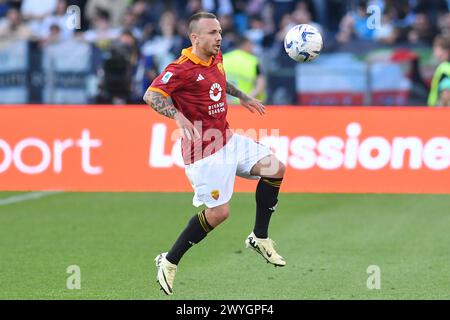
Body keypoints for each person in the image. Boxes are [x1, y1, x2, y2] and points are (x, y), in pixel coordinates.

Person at [143, 12, 286, 296]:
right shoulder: (181, 67)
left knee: (275, 167)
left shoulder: (215, 58)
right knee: (219, 213)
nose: (218, 37)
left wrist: (243, 97)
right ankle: (169, 261)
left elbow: (220, 82)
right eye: (211, 33)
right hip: (204, 152)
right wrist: (176, 116)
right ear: (195, 37)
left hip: (228, 139)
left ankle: (259, 237)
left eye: (219, 32)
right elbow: (151, 95)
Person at [223, 35, 267, 104]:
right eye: (251, 45)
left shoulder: (223, 59)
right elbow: (260, 85)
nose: (252, 48)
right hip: (245, 104)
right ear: (246, 44)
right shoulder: (253, 61)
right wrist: (247, 98)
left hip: (225, 104)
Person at [428, 35, 450, 106]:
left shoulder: (444, 68)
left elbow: (446, 92)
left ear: (446, 52)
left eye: (436, 48)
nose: (434, 51)